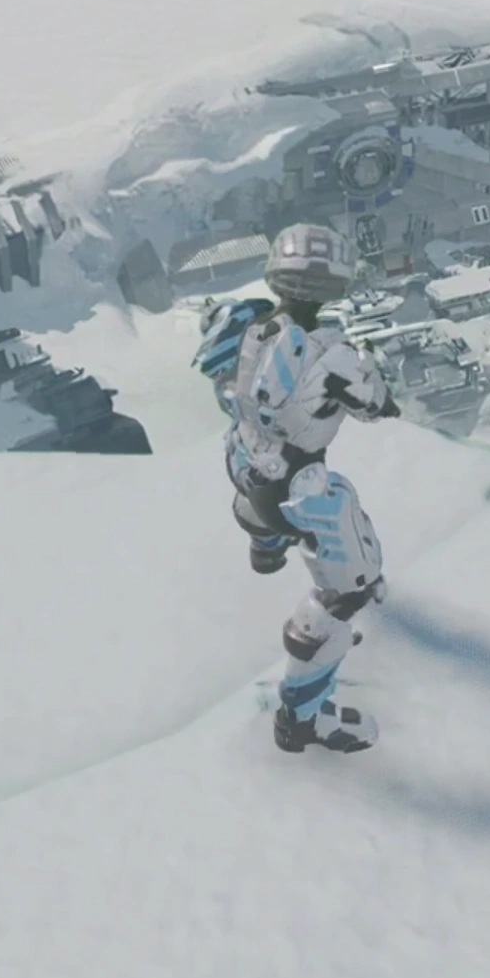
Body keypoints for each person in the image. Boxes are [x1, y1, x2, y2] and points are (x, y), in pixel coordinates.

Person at [192, 223, 400, 753]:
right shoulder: (332, 352)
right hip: (293, 487)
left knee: (268, 499)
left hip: (243, 464)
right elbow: (377, 405)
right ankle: (302, 719)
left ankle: (264, 547)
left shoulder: (244, 322)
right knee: (350, 589)